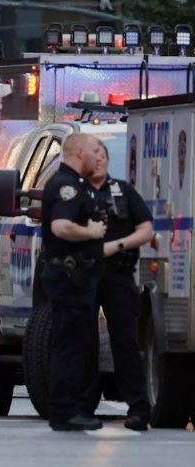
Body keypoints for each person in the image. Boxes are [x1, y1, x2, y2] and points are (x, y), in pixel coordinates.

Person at [40, 133, 108, 431]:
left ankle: (73, 409)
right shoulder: (66, 185)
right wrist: (91, 233)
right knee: (69, 345)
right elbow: (61, 226)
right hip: (69, 277)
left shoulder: (77, 184)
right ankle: (64, 411)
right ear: (80, 152)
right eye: (94, 150)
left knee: (77, 344)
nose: (98, 156)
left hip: (75, 277)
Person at [87, 140, 154, 431]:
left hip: (118, 275)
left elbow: (146, 229)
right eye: (93, 156)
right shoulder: (72, 192)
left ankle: (138, 408)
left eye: (102, 155)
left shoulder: (123, 192)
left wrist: (119, 245)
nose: (99, 160)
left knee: (125, 342)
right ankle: (81, 407)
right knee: (81, 342)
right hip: (84, 276)